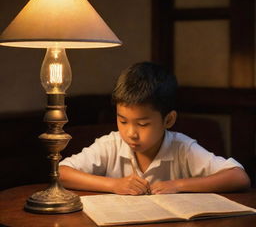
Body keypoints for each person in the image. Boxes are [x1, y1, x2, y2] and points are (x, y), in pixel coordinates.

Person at [59, 62, 250, 195]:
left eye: (142, 124)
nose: (131, 133)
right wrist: (113, 184)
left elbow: (238, 177)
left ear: (168, 120)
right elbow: (61, 172)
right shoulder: (111, 145)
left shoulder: (181, 148)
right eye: (123, 121)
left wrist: (178, 185)